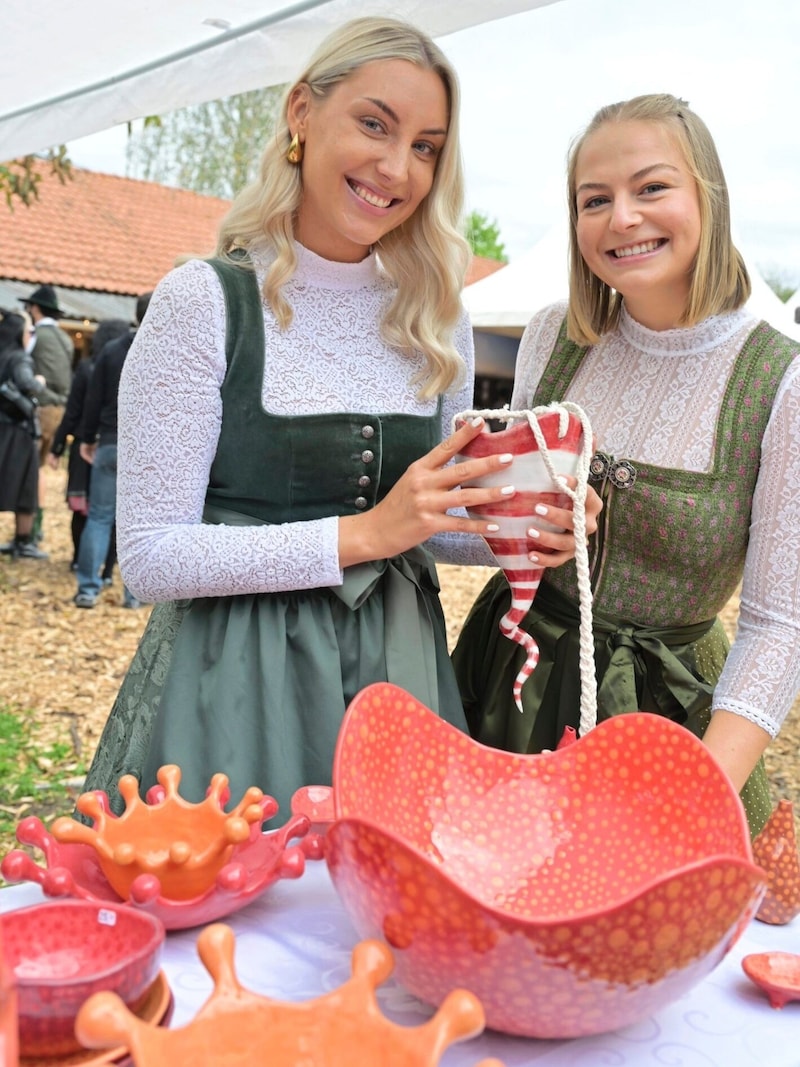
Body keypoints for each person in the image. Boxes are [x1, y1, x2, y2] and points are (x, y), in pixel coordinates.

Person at [78, 17, 593, 823]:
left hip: (401, 673)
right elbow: (149, 557)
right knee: (239, 918)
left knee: (391, 922)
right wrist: (363, 534)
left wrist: (521, 525)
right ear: (301, 113)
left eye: (426, 146)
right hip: (239, 681)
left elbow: (426, 525)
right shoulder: (205, 301)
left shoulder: (436, 313)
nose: (396, 168)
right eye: (374, 124)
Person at [452, 93, 800, 837]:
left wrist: (697, 795)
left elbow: (778, 625)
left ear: (708, 196)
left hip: (673, 718)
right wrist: (528, 522)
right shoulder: (552, 334)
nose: (622, 219)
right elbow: (502, 526)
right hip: (510, 681)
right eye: (594, 199)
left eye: (652, 188)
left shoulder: (780, 380)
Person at [73, 296, 152, 609]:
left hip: (109, 440)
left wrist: (86, 437)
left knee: (99, 517)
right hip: (147, 448)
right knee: (139, 524)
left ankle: (88, 590)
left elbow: (94, 399)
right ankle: (134, 595)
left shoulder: (111, 350)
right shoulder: (163, 348)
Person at [49, 318, 130, 574]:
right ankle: (117, 580)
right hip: (136, 446)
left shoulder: (95, 363)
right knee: (126, 518)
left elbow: (81, 408)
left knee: (96, 515)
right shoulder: (148, 352)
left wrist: (79, 440)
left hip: (102, 441)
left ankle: (85, 579)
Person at [0, 284, 74, 555]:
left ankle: (31, 532)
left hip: (34, 411)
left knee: (30, 474)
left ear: (35, 308)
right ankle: (30, 532)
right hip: (59, 409)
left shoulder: (32, 339)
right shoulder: (66, 339)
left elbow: (24, 377)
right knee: (35, 472)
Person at [0, 310, 46, 557]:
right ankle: (23, 541)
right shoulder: (20, 359)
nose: (31, 336)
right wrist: (40, 381)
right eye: (29, 331)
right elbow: (28, 384)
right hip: (18, 431)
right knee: (26, 487)